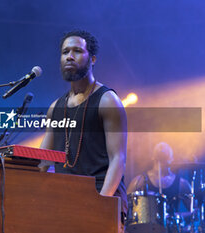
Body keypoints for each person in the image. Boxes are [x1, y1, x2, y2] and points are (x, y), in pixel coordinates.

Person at [39, 30, 128, 220]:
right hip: (67, 203)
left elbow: (118, 159)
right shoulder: (55, 107)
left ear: (93, 59)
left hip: (103, 199)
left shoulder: (107, 100)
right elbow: (43, 161)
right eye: (65, 52)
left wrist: (101, 203)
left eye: (77, 51)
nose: (69, 57)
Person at [127, 142, 191, 216]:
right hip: (148, 226)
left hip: (172, 226)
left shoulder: (182, 183)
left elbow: (193, 211)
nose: (162, 150)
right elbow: (125, 205)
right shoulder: (139, 181)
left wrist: (176, 216)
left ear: (172, 158)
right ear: (153, 157)